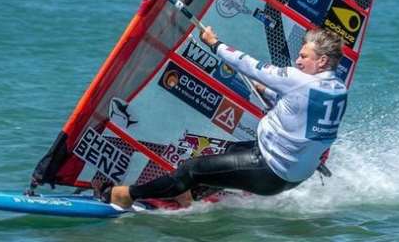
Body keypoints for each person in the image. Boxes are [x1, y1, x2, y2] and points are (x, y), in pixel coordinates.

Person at [97, 26, 349, 209]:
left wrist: (214, 44)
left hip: (269, 170)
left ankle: (125, 196)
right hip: (294, 175)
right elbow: (300, 110)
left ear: (322, 61)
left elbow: (251, 66)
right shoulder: (337, 89)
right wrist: (269, 91)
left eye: (304, 56)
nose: (297, 60)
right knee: (227, 150)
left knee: (191, 169)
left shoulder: (298, 80)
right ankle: (187, 197)